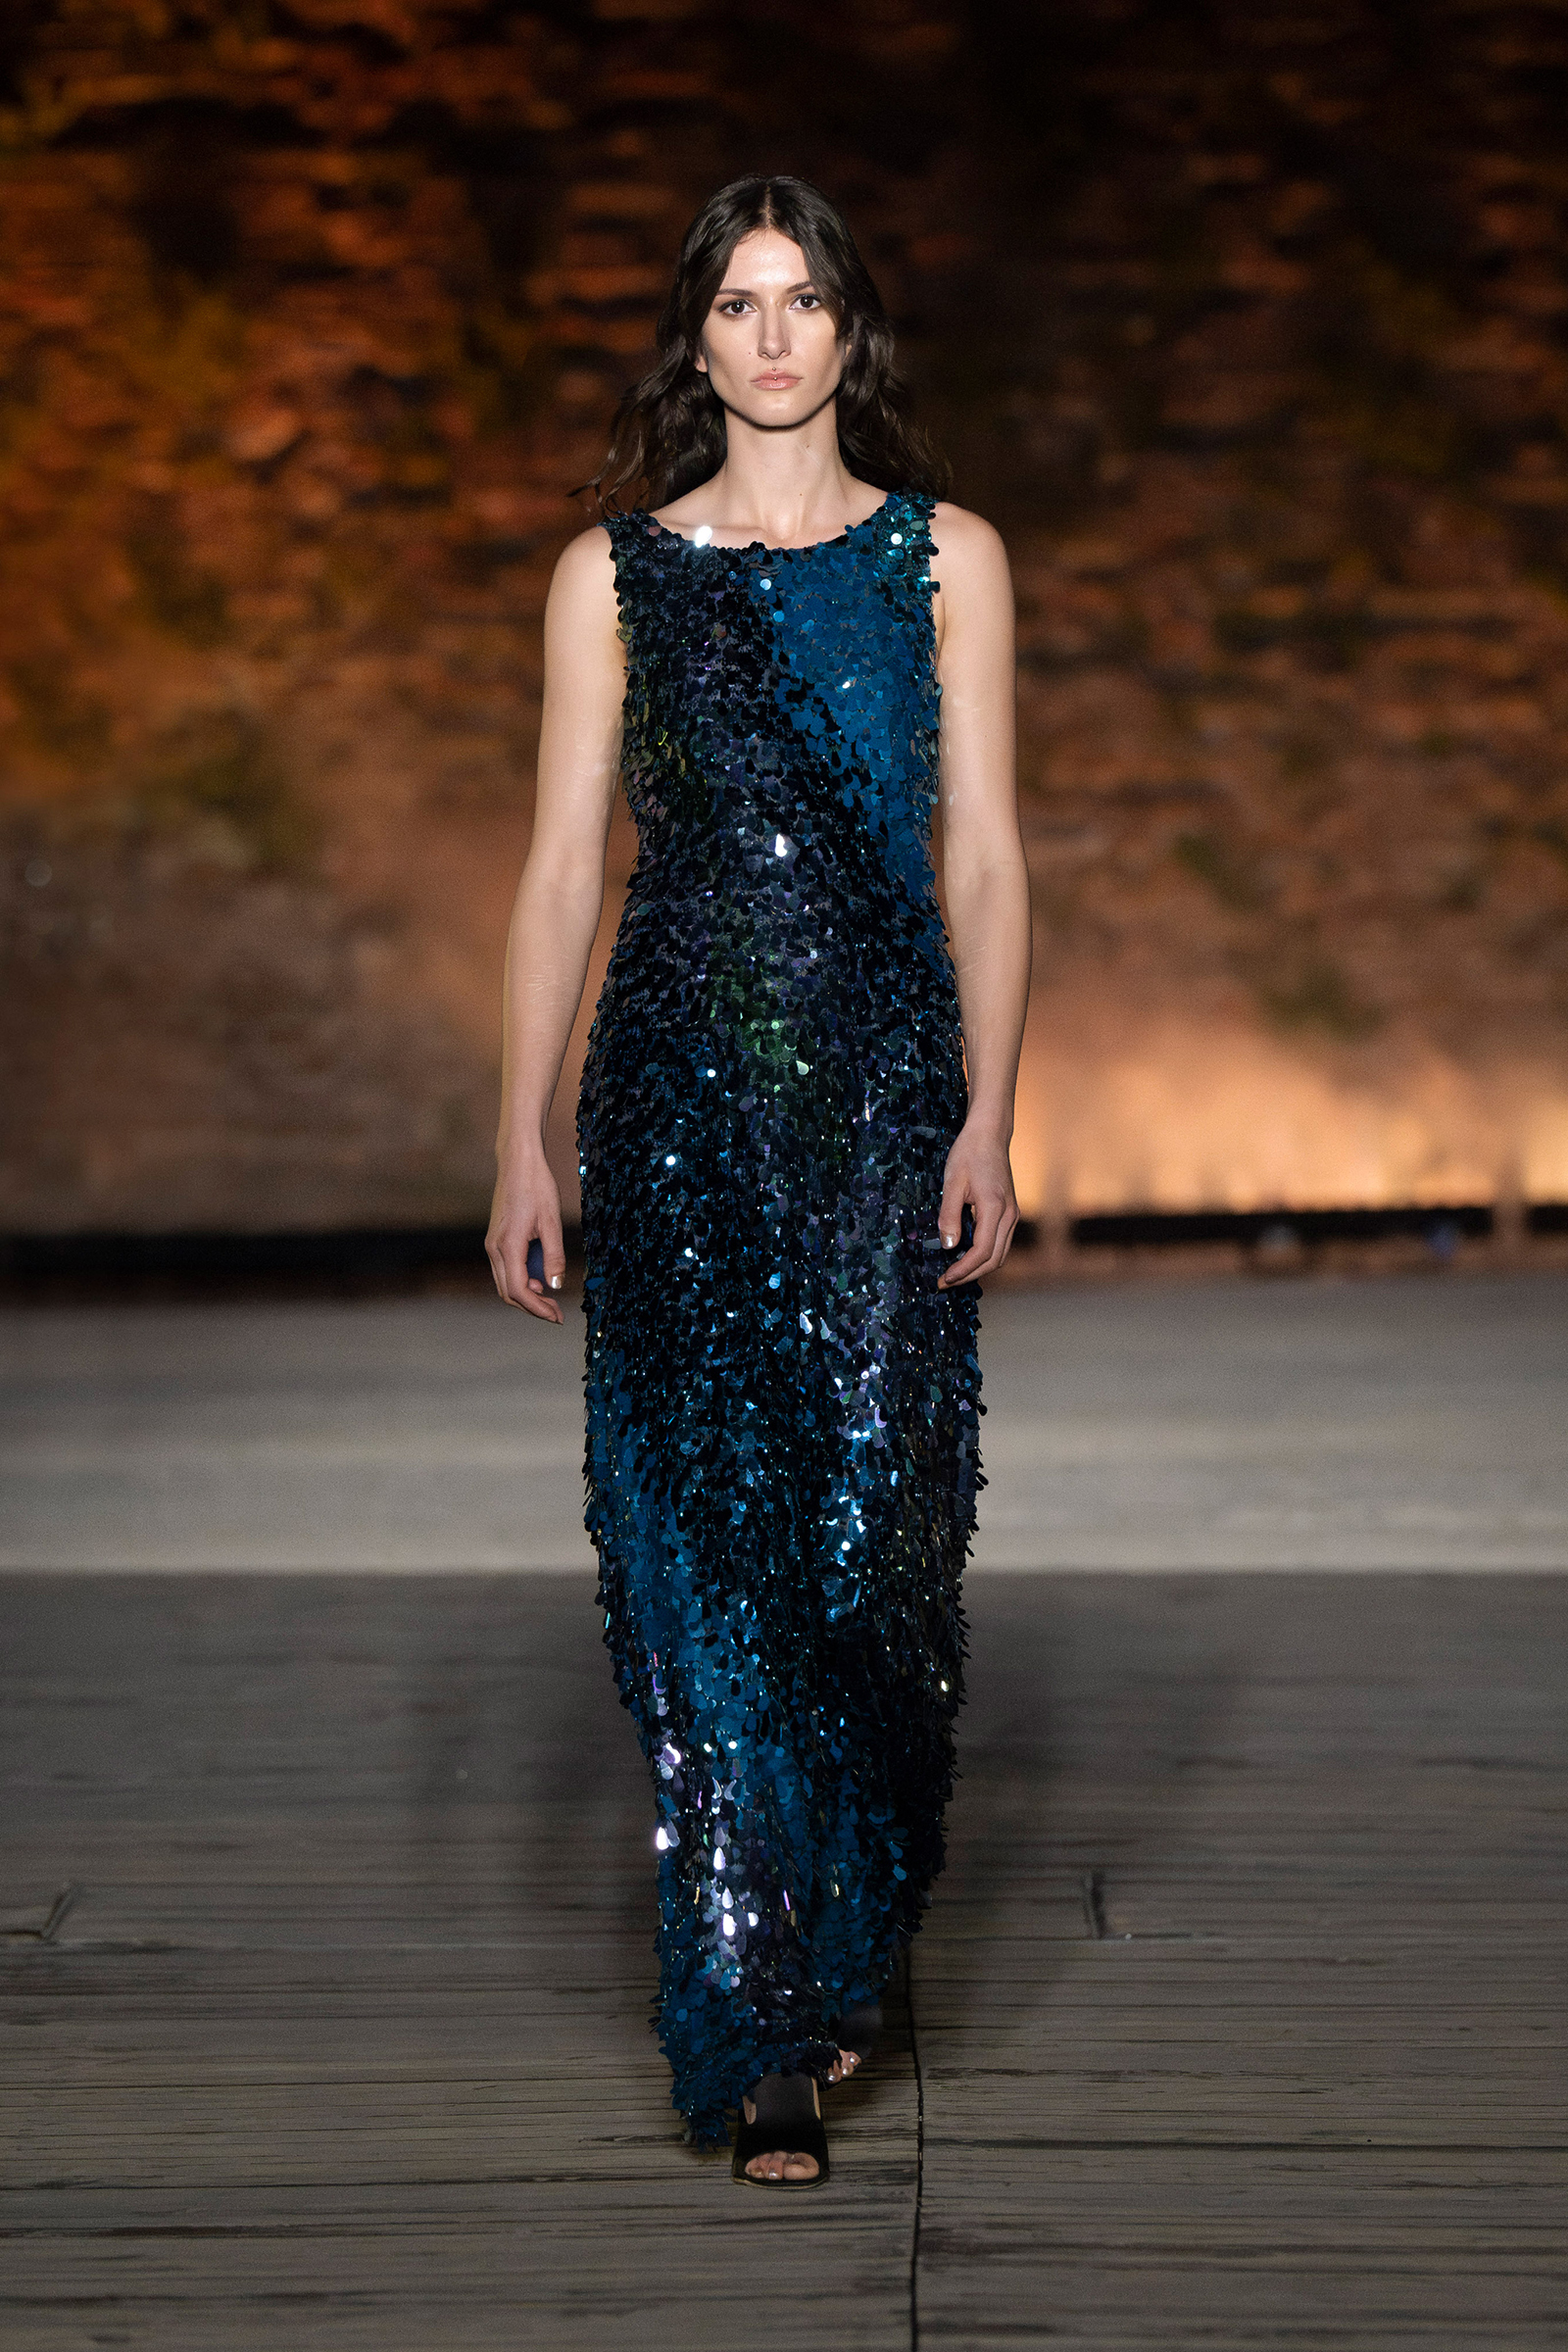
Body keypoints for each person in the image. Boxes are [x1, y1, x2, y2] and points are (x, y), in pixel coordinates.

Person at [487, 173, 1029, 2186]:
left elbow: (987, 856)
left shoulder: (945, 558)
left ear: (850, 328)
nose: (774, 336)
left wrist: (990, 1114)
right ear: (695, 337)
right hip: (675, 1110)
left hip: (885, 1105)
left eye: (803, 300)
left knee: (878, 1549)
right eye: (738, 303)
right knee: (700, 1554)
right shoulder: (611, 576)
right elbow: (565, 866)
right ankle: (755, 2016)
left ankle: (842, 1924)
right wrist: (520, 1127)